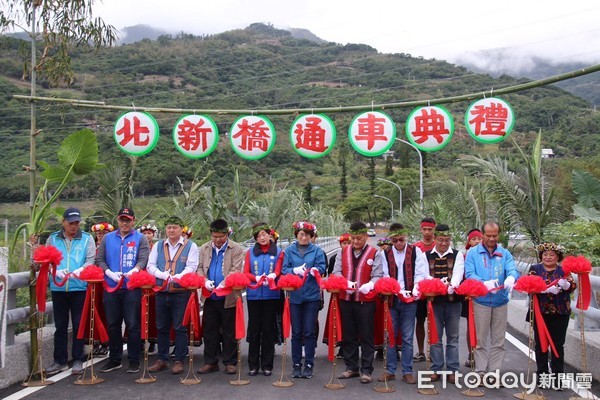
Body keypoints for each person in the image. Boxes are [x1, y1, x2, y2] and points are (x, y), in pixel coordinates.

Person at [96, 207, 150, 374]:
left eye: (128, 220)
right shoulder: (107, 238)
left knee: (133, 325)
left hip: (131, 287)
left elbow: (143, 258)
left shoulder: (140, 238)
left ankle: (134, 360)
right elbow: (99, 259)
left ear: (133, 220)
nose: (125, 223)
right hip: (111, 287)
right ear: (117, 221)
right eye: (122, 220)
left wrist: (135, 270)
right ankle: (115, 359)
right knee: (113, 324)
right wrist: (109, 272)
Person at [464, 221, 519, 382]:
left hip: (500, 301)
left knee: (499, 340)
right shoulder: (473, 253)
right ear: (482, 235)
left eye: (495, 235)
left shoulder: (505, 253)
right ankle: (480, 370)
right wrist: (483, 283)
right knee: (480, 339)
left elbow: (512, 269)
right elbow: (469, 273)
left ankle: (494, 372)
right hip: (480, 301)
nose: (492, 238)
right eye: (488, 235)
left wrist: (511, 277)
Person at [44, 207, 96, 376]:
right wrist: (55, 271)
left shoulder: (87, 239)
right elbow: (47, 259)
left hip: (79, 287)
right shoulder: (53, 239)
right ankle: (59, 360)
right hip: (58, 287)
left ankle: (78, 359)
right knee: (59, 325)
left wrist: (78, 272)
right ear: (63, 222)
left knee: (79, 324)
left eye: (76, 223)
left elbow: (90, 260)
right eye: (70, 223)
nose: (74, 226)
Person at [146, 217, 199, 374]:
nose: (171, 230)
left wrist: (177, 277)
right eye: (169, 227)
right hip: (161, 291)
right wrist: (162, 275)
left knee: (180, 327)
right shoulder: (159, 245)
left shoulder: (191, 246)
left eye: (174, 227)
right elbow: (150, 265)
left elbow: (192, 266)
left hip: (180, 292)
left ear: (181, 229)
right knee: (161, 326)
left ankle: (179, 360)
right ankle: (162, 359)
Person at [378, 222, 429, 384]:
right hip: (392, 299)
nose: (399, 243)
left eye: (401, 240)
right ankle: (390, 370)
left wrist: (414, 290)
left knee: (407, 337)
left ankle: (407, 371)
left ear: (406, 237)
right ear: (391, 239)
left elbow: (421, 273)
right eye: (395, 241)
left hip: (410, 299)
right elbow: (384, 275)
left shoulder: (416, 252)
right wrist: (394, 290)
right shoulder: (385, 254)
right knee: (390, 336)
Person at [333, 221, 383, 384]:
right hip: (346, 299)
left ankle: (367, 370)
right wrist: (344, 283)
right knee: (349, 335)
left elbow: (378, 275)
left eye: (359, 238)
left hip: (365, 301)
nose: (355, 242)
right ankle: (351, 368)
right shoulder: (343, 252)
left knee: (367, 335)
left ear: (366, 237)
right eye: (353, 238)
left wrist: (370, 285)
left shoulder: (374, 253)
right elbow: (337, 271)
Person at [196, 218, 244, 375]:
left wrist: (224, 283)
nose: (217, 240)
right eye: (214, 236)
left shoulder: (235, 248)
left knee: (229, 330)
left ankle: (230, 362)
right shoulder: (204, 248)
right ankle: (210, 362)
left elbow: (236, 269)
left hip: (228, 296)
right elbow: (200, 268)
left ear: (227, 235)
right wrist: (205, 280)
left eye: (220, 237)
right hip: (210, 296)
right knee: (209, 330)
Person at [281, 220, 326, 380]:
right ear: (296, 235)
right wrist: (294, 270)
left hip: (311, 296)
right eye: (301, 234)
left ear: (311, 236)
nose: (304, 237)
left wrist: (316, 270)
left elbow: (322, 267)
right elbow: (284, 269)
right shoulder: (289, 251)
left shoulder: (317, 251)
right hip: (295, 296)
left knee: (309, 331)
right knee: (297, 332)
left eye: (307, 235)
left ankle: (308, 364)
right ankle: (296, 364)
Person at [528, 242, 576, 390]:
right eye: (545, 255)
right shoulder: (535, 269)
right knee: (541, 344)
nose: (548, 257)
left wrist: (566, 286)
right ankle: (542, 375)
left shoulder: (564, 271)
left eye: (552, 255)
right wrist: (544, 289)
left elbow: (572, 286)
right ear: (541, 256)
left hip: (560, 312)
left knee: (557, 345)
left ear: (558, 257)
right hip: (540, 312)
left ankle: (557, 378)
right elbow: (529, 286)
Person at [425, 224, 464, 383]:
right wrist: (438, 283)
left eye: (447, 240)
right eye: (441, 240)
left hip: (453, 302)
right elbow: (423, 275)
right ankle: (436, 368)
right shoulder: (426, 255)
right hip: (434, 302)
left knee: (453, 337)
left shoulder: (457, 255)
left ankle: (453, 370)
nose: (443, 243)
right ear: (435, 239)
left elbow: (457, 275)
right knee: (435, 337)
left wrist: (451, 285)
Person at [243, 222, 283, 376]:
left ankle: (267, 365)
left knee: (268, 329)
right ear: (255, 238)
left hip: (271, 295)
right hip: (253, 295)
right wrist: (256, 277)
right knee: (254, 330)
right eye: (259, 235)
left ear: (270, 234)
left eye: (264, 234)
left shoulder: (279, 252)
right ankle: (253, 365)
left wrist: (273, 276)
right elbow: (246, 272)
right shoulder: (250, 252)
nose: (262, 237)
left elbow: (279, 270)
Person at [89, 221, 115, 357]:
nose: (101, 236)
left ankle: (106, 342)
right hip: (94, 283)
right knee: (94, 311)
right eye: (99, 233)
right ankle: (95, 341)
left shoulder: (112, 248)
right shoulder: (91, 247)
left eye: (104, 233)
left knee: (107, 312)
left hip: (107, 282)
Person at [413, 217, 436, 363]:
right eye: (425, 229)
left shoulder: (439, 245)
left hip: (436, 291)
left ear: (434, 229)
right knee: (419, 320)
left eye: (430, 229)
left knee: (435, 322)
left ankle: (434, 351)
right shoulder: (415, 247)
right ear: (421, 230)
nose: (427, 232)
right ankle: (421, 351)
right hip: (420, 291)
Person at [462, 228, 482, 368]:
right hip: (469, 295)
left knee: (483, 327)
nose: (477, 241)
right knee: (471, 325)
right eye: (474, 239)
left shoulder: (487, 255)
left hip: (484, 294)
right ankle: (471, 353)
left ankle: (482, 354)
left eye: (479, 238)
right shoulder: (465, 256)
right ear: (469, 242)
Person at [138, 224, 159, 355]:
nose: (147, 235)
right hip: (139, 283)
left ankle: (152, 341)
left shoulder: (156, 248)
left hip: (153, 284)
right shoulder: (137, 246)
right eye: (144, 233)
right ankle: (139, 341)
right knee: (138, 313)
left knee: (152, 313)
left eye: (149, 233)